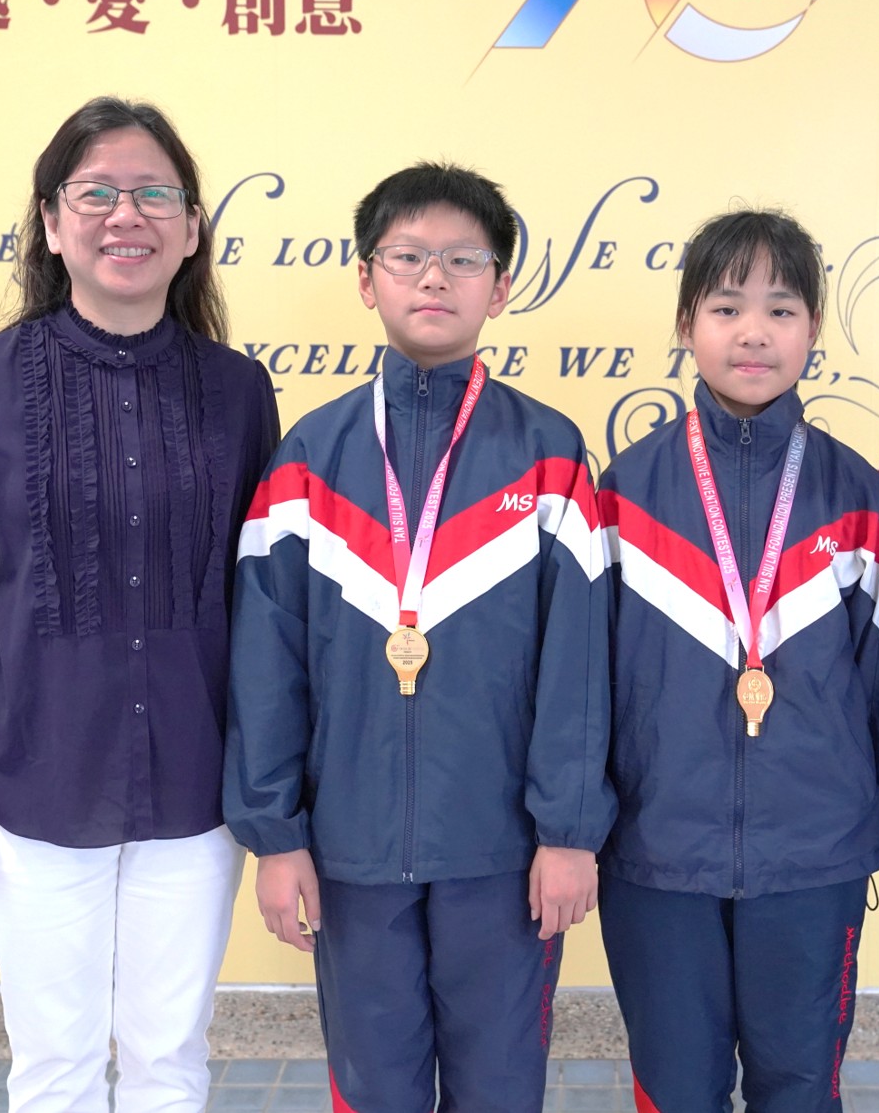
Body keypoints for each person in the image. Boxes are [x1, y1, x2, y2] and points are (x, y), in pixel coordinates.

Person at [0, 96, 279, 1112]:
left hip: (195, 788)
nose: (125, 215)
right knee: (54, 1064)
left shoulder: (239, 392)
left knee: (169, 1059)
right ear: (52, 225)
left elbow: (263, 604)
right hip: (32, 780)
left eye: (154, 195)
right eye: (95, 193)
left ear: (192, 229)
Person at [223, 161, 616, 1113]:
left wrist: (568, 832)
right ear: (367, 279)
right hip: (350, 853)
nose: (434, 276)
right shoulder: (308, 460)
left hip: (503, 855)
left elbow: (579, 672)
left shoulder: (550, 456)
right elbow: (266, 666)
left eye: (463, 258)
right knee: (374, 1090)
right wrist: (277, 837)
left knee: (500, 1088)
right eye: (407, 256)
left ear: (501, 286)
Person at [595, 209, 879, 1112]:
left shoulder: (856, 495)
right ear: (686, 323)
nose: (754, 332)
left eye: (781, 309)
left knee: (800, 1086)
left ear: (814, 328)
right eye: (726, 307)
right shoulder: (625, 491)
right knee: (675, 1088)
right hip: (657, 854)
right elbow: (587, 688)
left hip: (814, 858)